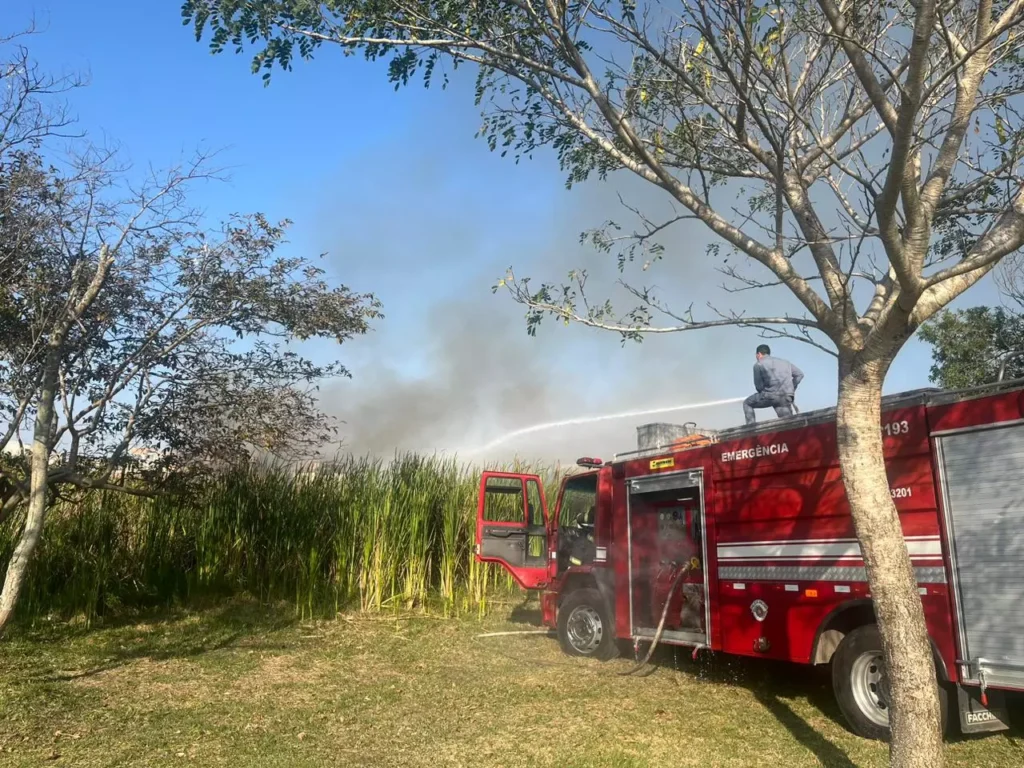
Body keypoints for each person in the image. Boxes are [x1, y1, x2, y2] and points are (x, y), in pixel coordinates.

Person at [743, 344, 803, 424]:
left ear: (759, 354)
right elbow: (800, 374)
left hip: (770, 396)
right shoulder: (785, 362)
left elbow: (759, 386)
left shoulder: (758, 365)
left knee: (747, 403)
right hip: (786, 397)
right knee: (788, 423)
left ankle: (751, 431)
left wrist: (768, 391)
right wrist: (791, 387)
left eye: (756, 355)